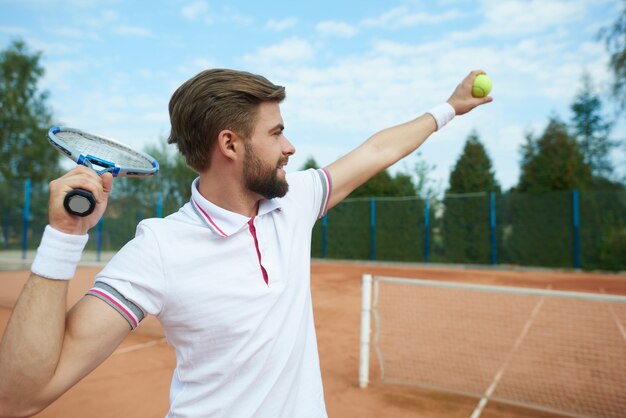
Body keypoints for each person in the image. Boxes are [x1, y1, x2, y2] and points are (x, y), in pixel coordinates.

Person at [0, 68, 491, 417]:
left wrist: (449, 108)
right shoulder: (160, 248)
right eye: (277, 133)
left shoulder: (294, 200)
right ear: (230, 144)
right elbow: (21, 397)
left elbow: (378, 149)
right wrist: (64, 237)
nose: (290, 147)